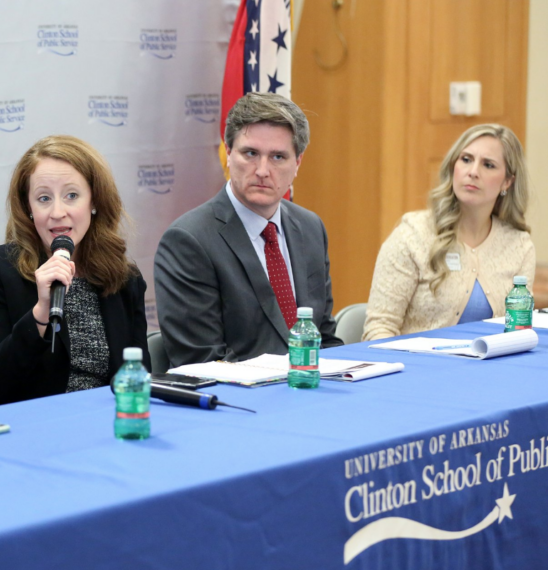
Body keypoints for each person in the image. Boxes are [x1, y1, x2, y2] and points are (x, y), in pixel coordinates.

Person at [0, 135, 149, 407]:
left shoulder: (124, 278)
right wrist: (40, 312)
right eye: (44, 198)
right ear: (28, 208)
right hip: (28, 433)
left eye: (71, 196)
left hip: (108, 431)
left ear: (94, 201)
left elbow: (138, 380)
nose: (57, 212)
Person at [154, 92, 342, 367]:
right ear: (228, 154)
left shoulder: (310, 227)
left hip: (309, 391)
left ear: (297, 163)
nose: (263, 170)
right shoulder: (189, 240)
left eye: (278, 157)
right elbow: (202, 361)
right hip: (241, 402)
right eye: (251, 153)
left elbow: (323, 337)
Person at [363, 124, 534, 340]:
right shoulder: (412, 235)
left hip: (490, 369)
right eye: (466, 159)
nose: (473, 172)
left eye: (488, 165)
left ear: (508, 181)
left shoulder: (518, 244)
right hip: (417, 368)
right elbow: (379, 328)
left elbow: (519, 331)